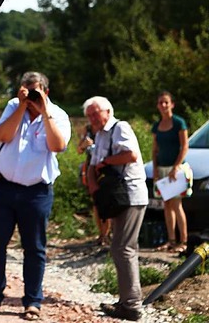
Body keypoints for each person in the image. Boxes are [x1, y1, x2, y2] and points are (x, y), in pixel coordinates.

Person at [0, 71, 70, 320]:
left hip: (37, 192)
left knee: (34, 248)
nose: (31, 95)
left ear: (46, 91)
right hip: (4, 188)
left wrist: (44, 112)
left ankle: (33, 301)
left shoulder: (59, 115)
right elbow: (3, 136)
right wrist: (21, 107)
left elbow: (58, 146)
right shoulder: (13, 106)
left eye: (36, 91)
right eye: (27, 90)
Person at [84, 96, 147, 322]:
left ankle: (132, 305)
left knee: (123, 248)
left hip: (130, 195)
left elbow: (131, 155)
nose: (92, 118)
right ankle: (126, 301)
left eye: (95, 113)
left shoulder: (121, 128)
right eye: (89, 115)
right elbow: (93, 164)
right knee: (120, 247)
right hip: (116, 197)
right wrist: (93, 185)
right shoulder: (100, 135)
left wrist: (106, 162)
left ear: (108, 111)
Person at [151, 91, 191, 254]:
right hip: (162, 168)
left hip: (176, 169)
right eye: (160, 102)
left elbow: (185, 146)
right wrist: (155, 167)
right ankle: (171, 240)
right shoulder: (157, 126)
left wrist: (176, 167)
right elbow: (155, 149)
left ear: (172, 104)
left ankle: (184, 241)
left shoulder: (178, 123)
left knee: (176, 204)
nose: (163, 105)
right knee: (166, 205)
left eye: (166, 102)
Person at [76, 123, 111, 246]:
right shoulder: (88, 129)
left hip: (105, 169)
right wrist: (84, 145)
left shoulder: (110, 129)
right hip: (91, 169)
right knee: (96, 202)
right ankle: (101, 234)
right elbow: (79, 150)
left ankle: (107, 233)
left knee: (107, 202)